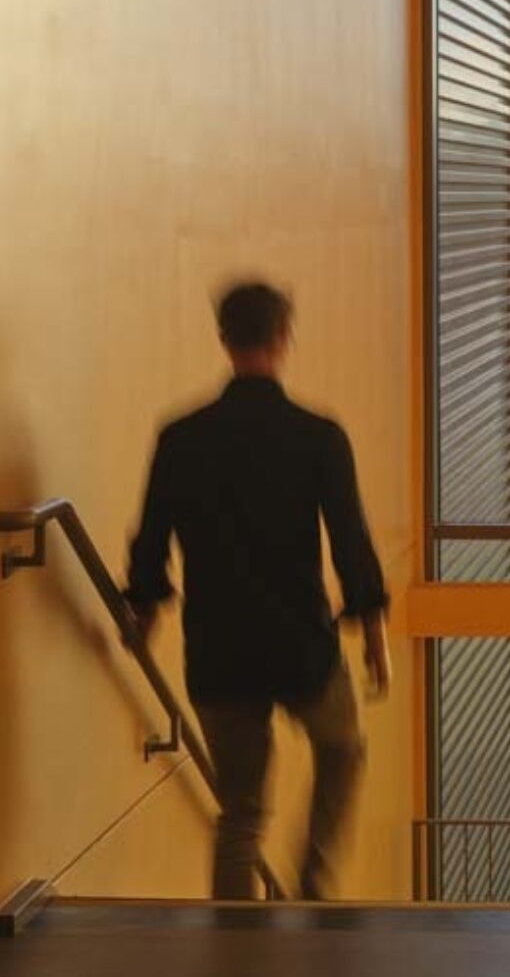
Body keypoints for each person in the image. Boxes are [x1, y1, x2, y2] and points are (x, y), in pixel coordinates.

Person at [125, 280, 390, 901]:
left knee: (239, 816)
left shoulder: (180, 437)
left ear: (223, 339)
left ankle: (237, 954)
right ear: (283, 337)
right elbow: (351, 544)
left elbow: (151, 539)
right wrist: (373, 633)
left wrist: (144, 612)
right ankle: (315, 886)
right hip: (302, 644)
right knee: (343, 749)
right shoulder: (319, 437)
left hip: (217, 648)